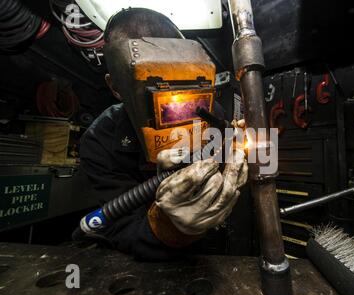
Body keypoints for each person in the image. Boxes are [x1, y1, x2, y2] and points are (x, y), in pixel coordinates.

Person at [78, 8, 247, 261]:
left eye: (187, 88)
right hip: (148, 264)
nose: (179, 107)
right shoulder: (99, 142)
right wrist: (167, 228)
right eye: (161, 91)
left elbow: (238, 160)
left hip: (211, 251)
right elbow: (117, 226)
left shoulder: (212, 112)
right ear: (116, 87)